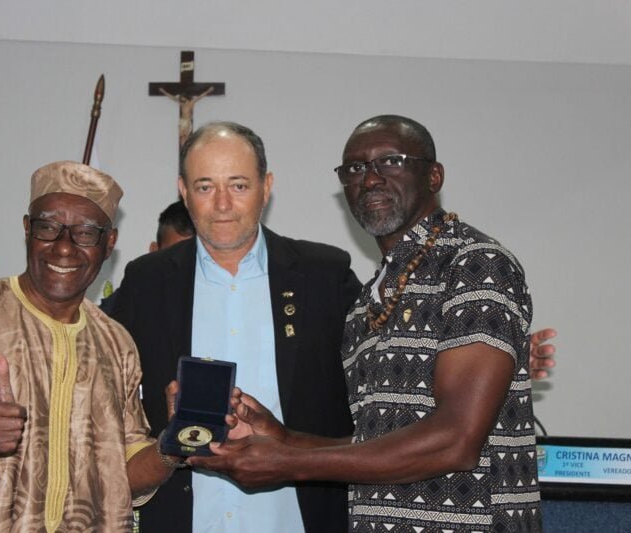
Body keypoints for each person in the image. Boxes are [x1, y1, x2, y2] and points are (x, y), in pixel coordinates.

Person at [110, 121, 556, 532]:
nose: (371, 179)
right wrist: (283, 439)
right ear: (184, 192)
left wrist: (287, 460)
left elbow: (457, 437)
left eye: (391, 162)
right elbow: (373, 430)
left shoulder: (465, 264)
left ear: (266, 188)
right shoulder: (376, 296)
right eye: (357, 169)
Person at [110, 122, 360, 532]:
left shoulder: (324, 275)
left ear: (266, 187)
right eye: (205, 186)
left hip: (299, 518)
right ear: (183, 191)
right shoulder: (146, 282)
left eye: (239, 185)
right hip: (183, 517)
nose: (222, 204)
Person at [0, 161, 178, 532]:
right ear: (27, 229)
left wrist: (171, 448)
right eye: (48, 227)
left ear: (109, 243)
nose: (64, 247)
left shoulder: (116, 343)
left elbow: (122, 476)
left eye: (85, 232)